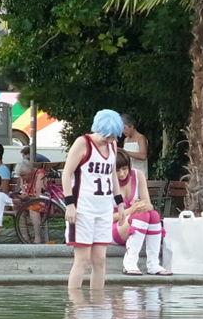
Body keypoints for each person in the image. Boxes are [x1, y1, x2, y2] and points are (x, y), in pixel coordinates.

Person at [62, 109, 126, 289]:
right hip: (83, 208)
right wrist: (70, 205)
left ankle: (98, 305)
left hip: (104, 208)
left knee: (100, 259)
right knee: (82, 259)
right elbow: (66, 174)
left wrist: (119, 203)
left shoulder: (112, 146)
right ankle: (76, 306)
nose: (110, 140)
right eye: (107, 136)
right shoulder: (83, 143)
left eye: (113, 137)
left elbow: (112, 175)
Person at [112, 148, 171, 276]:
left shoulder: (138, 175)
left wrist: (141, 205)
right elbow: (105, 217)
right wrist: (131, 210)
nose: (122, 174)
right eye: (117, 171)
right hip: (112, 228)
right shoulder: (106, 181)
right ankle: (130, 262)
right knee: (140, 216)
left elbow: (150, 206)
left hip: (136, 224)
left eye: (125, 169)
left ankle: (153, 264)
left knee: (154, 215)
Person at [12, 159, 47, 243]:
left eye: (24, 175)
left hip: (43, 202)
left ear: (31, 171)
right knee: (16, 207)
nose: (22, 178)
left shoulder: (40, 174)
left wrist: (27, 198)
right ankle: (24, 238)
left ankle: (37, 238)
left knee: (33, 208)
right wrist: (19, 197)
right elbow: (23, 190)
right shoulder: (23, 176)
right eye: (21, 176)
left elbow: (40, 196)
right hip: (28, 202)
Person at [121, 114, 148, 179]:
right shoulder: (126, 140)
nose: (123, 131)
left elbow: (143, 156)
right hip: (128, 174)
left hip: (139, 173)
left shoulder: (141, 138)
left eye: (125, 128)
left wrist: (126, 153)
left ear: (131, 126)